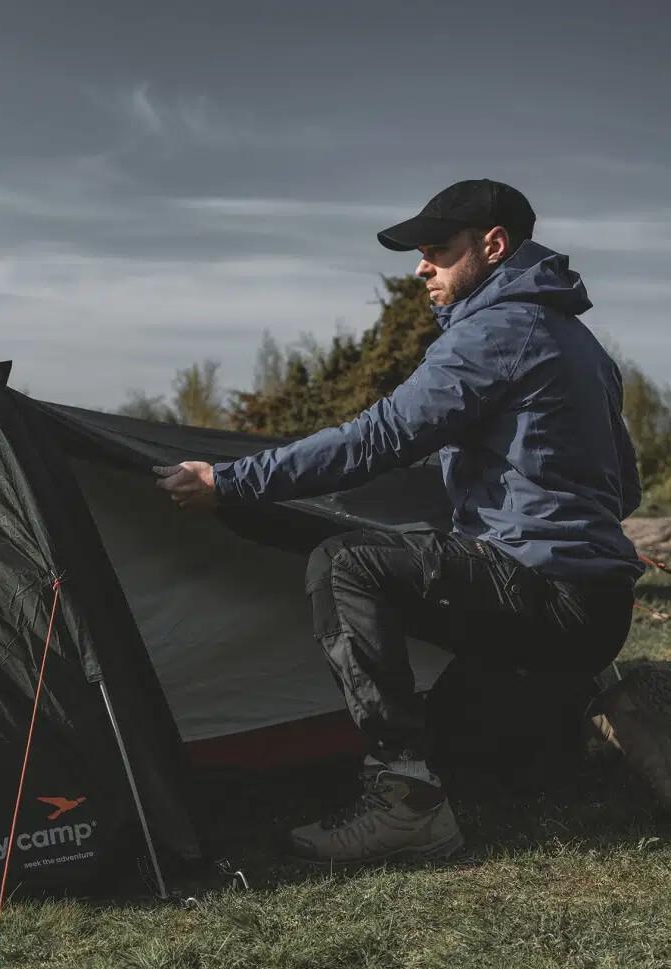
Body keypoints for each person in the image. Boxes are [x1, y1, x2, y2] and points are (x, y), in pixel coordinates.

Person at [154, 178, 643, 865]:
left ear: (494, 245)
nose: (421, 267)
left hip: (548, 599)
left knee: (347, 562)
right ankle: (550, 728)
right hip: (601, 611)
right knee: (466, 733)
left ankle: (406, 801)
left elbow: (377, 439)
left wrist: (230, 480)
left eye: (438, 250)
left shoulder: (497, 330)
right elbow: (624, 488)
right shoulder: (581, 343)